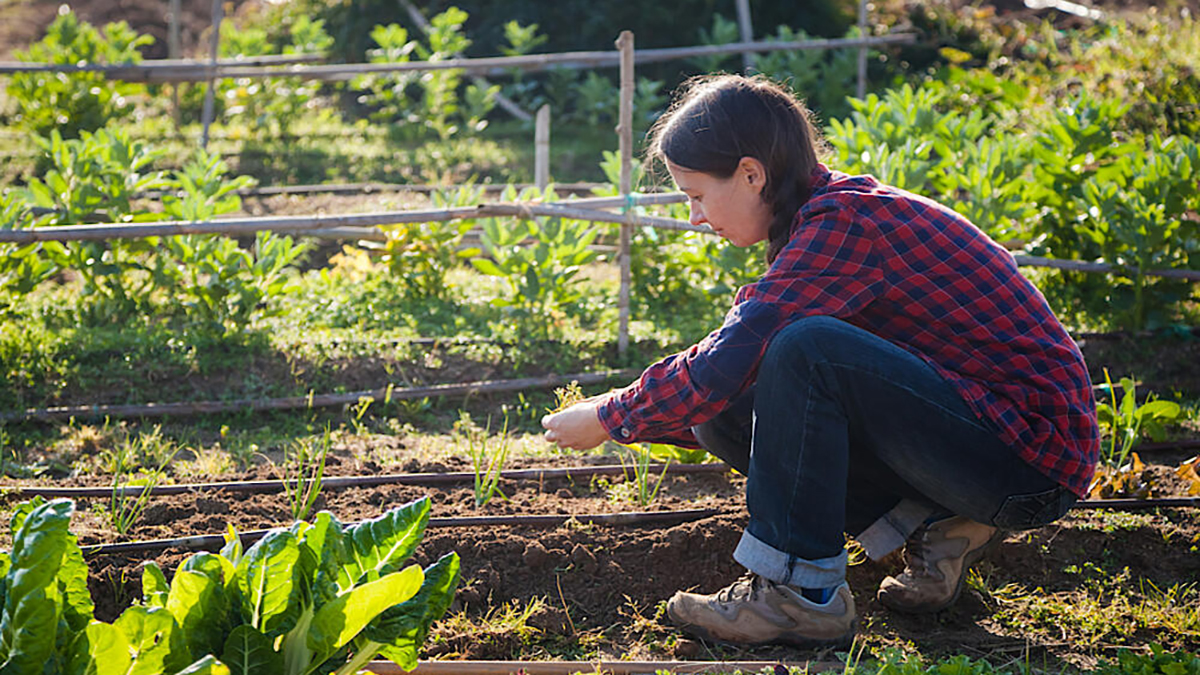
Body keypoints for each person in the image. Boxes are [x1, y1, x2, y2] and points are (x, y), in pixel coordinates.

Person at [541, 74, 1098, 648]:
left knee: (803, 348)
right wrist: (654, 415)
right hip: (981, 442)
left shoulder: (846, 224)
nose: (694, 217)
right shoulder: (817, 223)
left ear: (752, 174)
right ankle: (939, 526)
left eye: (698, 195)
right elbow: (726, 383)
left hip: (1031, 459)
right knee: (727, 405)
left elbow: (737, 351)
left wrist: (613, 414)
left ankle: (797, 596)